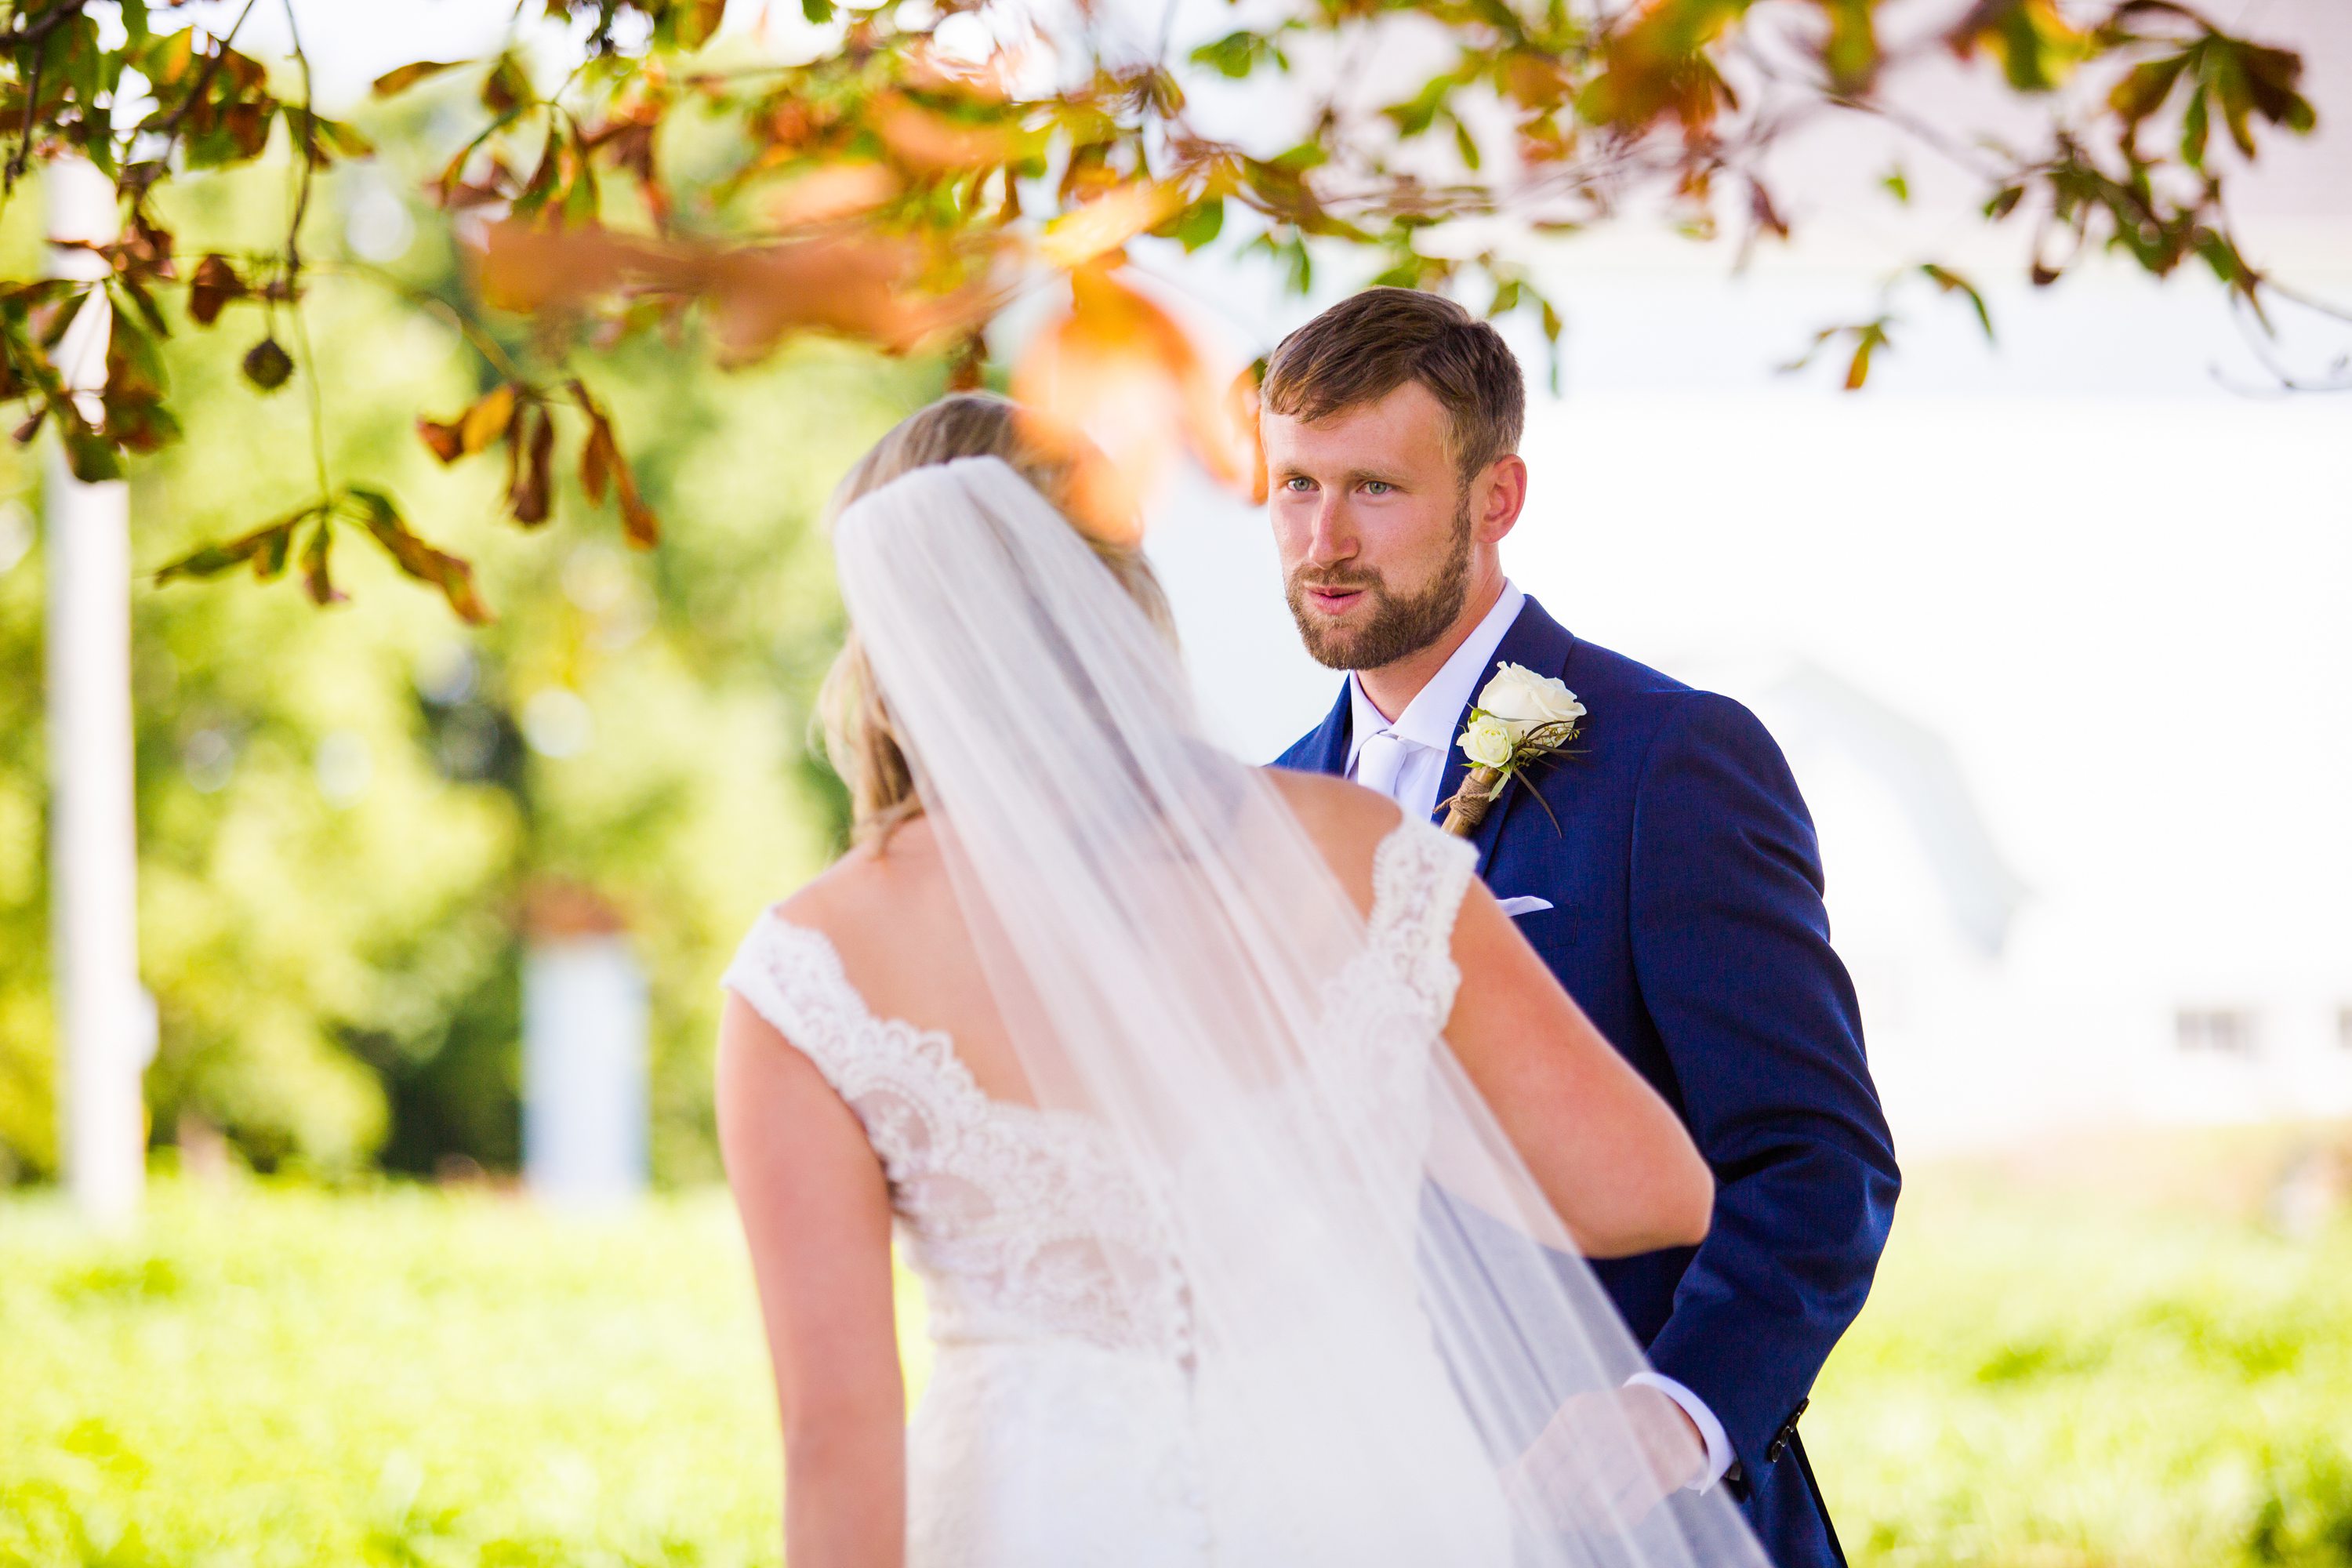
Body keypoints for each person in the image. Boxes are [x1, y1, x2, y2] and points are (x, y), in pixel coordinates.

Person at [714, 393, 1771, 1567]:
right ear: (1120, 588)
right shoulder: (1355, 850)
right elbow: (1656, 1190)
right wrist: (1372, 1108)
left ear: (888, 631)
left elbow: (833, 1436)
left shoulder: (814, 968)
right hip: (1378, 1512)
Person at [1266, 289, 1902, 1568]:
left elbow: (1817, 1164)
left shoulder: (1673, 758)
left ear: (1496, 500)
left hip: (1642, 1529)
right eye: (1294, 486)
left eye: (1374, 490)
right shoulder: (1263, 809)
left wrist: (1676, 1416)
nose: (1323, 539)